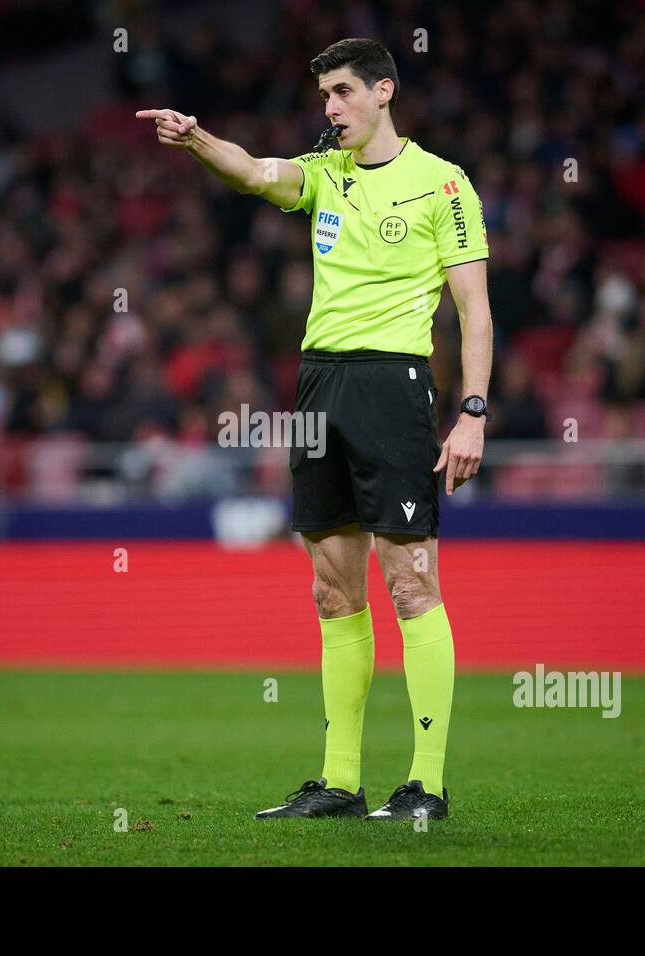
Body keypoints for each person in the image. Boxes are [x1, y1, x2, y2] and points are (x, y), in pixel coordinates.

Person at [137, 37, 493, 821]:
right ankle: (340, 782)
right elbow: (255, 170)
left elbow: (473, 308)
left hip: (393, 386)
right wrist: (197, 139)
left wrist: (471, 411)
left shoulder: (443, 184)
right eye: (325, 96)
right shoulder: (324, 175)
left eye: (341, 93)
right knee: (333, 591)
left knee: (411, 584)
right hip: (318, 385)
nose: (330, 109)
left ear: (384, 92)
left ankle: (427, 787)